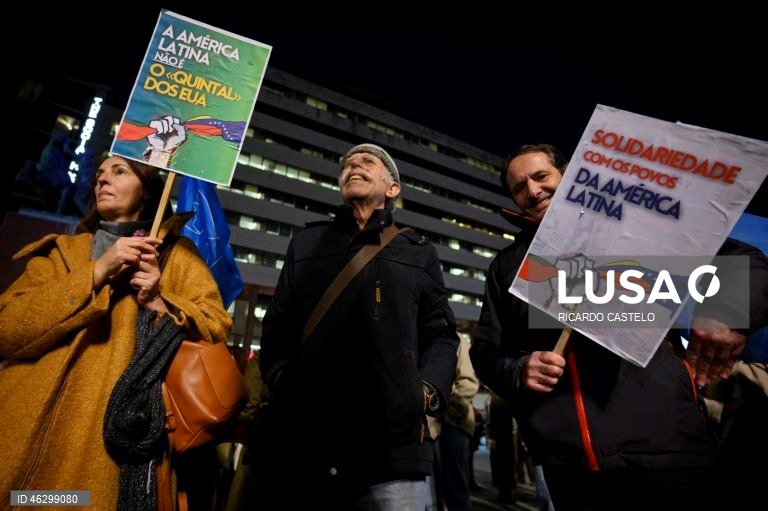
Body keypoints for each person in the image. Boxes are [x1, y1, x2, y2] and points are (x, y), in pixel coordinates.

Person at [469, 143, 768, 510]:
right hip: (572, 470)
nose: (532, 191)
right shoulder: (507, 266)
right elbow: (485, 350)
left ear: (569, 176)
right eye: (519, 187)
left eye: (541, 176)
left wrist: (725, 311)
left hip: (670, 452)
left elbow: (746, 262)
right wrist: (518, 369)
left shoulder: (633, 229)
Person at [0, 155, 232, 508]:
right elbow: (7, 328)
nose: (102, 180)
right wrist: (95, 273)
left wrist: (159, 301)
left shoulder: (177, 257)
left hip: (108, 447)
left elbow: (216, 331)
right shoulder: (61, 251)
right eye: (100, 173)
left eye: (119, 171)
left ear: (146, 192)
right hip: (19, 437)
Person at [258, 143, 459, 509]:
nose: (355, 165)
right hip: (306, 442)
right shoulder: (306, 242)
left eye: (368, 162)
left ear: (393, 187)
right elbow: (277, 322)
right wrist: (280, 376)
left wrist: (426, 393)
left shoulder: (418, 250)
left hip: (394, 449)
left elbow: (440, 333)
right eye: (348, 164)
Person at [430, 333, 479, 511]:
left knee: (455, 490)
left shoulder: (458, 341)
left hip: (453, 425)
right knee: (436, 492)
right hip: (434, 426)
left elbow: (468, 384)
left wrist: (444, 411)